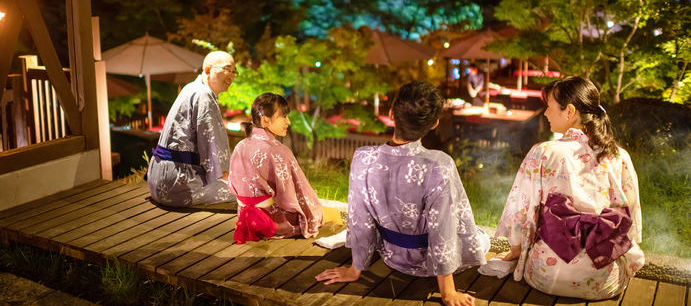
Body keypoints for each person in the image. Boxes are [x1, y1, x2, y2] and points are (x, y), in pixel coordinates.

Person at [316, 80, 489, 306]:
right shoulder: (438, 164)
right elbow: (443, 228)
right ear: (435, 123)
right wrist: (448, 293)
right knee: (481, 237)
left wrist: (354, 269)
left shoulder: (363, 158)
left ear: (391, 114)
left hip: (391, 256)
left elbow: (360, 220)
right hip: (428, 265)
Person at [492, 76, 643, 300]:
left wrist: (516, 250)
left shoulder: (542, 152)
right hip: (603, 281)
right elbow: (631, 215)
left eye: (549, 106)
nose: (545, 113)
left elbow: (520, 210)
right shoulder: (617, 155)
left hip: (545, 275)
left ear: (569, 111)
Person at [228, 93, 333, 244]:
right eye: (284, 116)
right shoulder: (279, 151)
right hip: (272, 222)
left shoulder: (240, 146)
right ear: (266, 120)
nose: (288, 122)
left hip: (246, 219)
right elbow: (291, 198)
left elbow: (233, 184)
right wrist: (314, 209)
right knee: (330, 213)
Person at [147, 51, 237, 207]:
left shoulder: (191, 87)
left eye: (234, 71)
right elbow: (211, 147)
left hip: (157, 180)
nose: (231, 76)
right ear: (208, 70)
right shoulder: (204, 96)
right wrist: (226, 175)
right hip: (177, 185)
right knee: (246, 191)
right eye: (227, 69)